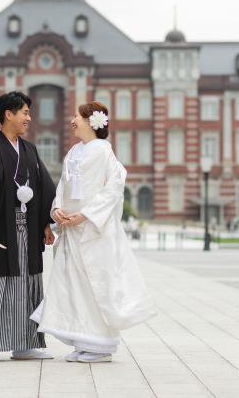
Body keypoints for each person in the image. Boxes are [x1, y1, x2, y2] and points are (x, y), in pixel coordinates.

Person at [31, 102, 157, 364]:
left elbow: (113, 187)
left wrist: (86, 215)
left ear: (91, 121)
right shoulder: (73, 152)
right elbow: (62, 188)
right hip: (71, 230)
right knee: (75, 287)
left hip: (92, 230)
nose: (72, 121)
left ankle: (100, 345)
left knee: (95, 286)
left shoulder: (104, 152)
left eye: (76, 116)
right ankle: (84, 341)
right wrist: (56, 210)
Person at [0, 91, 57, 362]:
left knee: (27, 286)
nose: (29, 117)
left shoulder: (30, 150)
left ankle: (25, 343)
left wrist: (45, 225)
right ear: (8, 114)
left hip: (26, 230)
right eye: (25, 112)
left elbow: (42, 189)